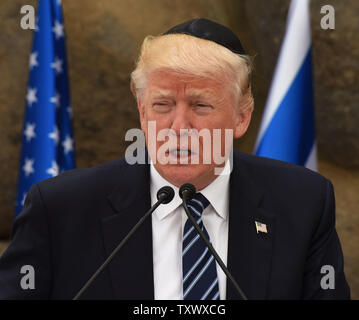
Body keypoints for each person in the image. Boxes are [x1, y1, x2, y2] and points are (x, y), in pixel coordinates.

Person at [0, 18, 350, 300]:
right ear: (141, 111)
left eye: (200, 105)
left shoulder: (303, 202)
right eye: (162, 105)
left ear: (242, 116)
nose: (178, 127)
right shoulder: (60, 208)